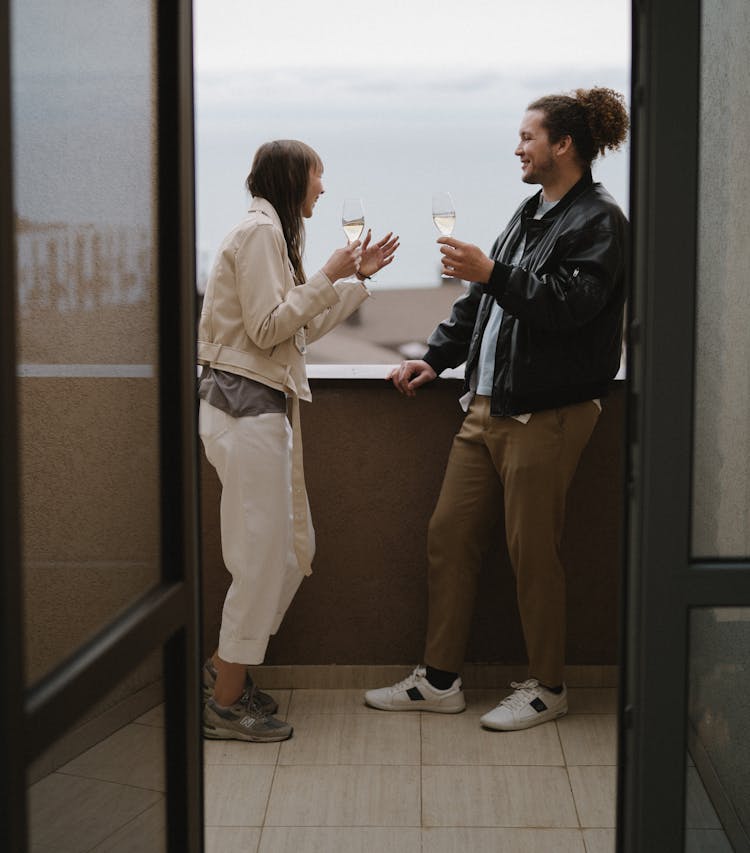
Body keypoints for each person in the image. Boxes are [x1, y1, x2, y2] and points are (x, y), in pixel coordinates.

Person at [365, 87, 628, 731]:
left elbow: (571, 307)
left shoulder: (600, 219)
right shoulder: (530, 209)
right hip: (484, 408)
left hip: (547, 414)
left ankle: (549, 687)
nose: (517, 147)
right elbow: (482, 305)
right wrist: (436, 357)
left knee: (533, 552)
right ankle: (441, 680)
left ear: (562, 145)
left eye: (527, 137)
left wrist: (492, 274)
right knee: (448, 536)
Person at [198, 139, 398, 742]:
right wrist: (330, 274)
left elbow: (300, 327)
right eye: (318, 176)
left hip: (261, 413)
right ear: (292, 178)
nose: (323, 188)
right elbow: (265, 330)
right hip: (247, 413)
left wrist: (352, 281)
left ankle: (221, 670)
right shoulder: (259, 235)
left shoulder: (274, 238)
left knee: (287, 556)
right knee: (263, 561)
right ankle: (224, 704)